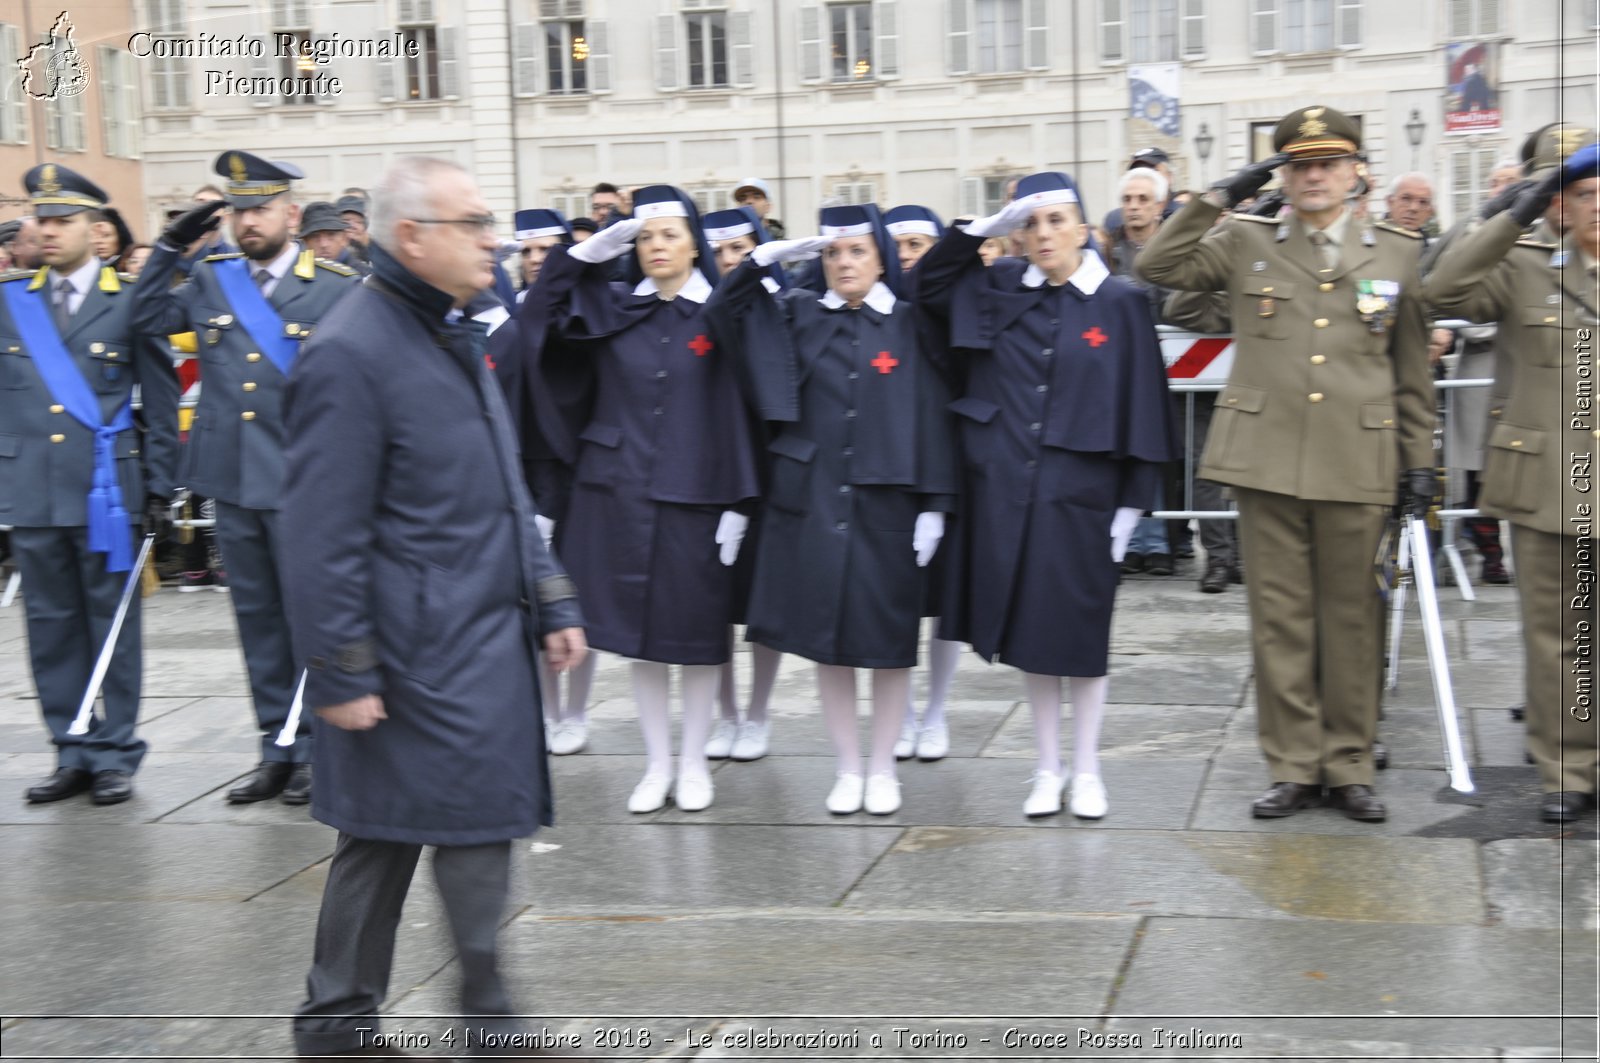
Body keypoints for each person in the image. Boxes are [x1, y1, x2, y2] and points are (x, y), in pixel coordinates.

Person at [278, 155, 588, 1060]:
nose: (494, 239)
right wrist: (340, 667)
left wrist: (550, 593)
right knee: (396, 834)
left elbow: (500, 475)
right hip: (411, 649)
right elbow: (317, 531)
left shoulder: (449, 328)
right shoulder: (352, 348)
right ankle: (358, 1026)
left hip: (474, 637)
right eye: (474, 222)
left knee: (449, 825)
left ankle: (456, 1019)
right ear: (411, 237)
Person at [1138, 106, 1435, 823]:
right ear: (1283, 175)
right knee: (1281, 622)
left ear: (1355, 172)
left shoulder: (1394, 251)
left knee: (1355, 619)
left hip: (1359, 459)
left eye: (1327, 163)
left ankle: (1351, 762)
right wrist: (1218, 197)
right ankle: (1295, 765)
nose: (1313, 176)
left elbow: (1410, 372)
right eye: (1299, 165)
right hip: (1267, 459)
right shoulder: (1247, 240)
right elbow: (1158, 265)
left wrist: (1420, 464)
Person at [917, 172, 1178, 820]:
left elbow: (1144, 402)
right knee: (1034, 639)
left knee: (1080, 638)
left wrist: (1131, 504)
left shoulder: (1119, 301)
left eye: (1057, 221)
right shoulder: (1000, 288)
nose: (1043, 235)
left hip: (1083, 493)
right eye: (1031, 224)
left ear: (1085, 229)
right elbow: (926, 289)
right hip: (1008, 489)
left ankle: (1087, 769)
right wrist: (976, 232)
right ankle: (1045, 767)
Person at [515, 184, 762, 813]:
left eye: (669, 235)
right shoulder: (617, 306)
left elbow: (746, 404)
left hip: (698, 495)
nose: (657, 247)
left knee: (697, 636)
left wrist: (739, 499)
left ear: (693, 245)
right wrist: (587, 255)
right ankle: (657, 764)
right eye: (646, 237)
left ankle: (695, 761)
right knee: (641, 638)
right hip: (617, 491)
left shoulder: (722, 311)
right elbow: (538, 317)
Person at [706, 204, 959, 815]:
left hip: (888, 503)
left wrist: (936, 502)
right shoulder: (798, 315)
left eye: (857, 252)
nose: (844, 263)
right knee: (828, 642)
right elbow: (722, 316)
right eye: (833, 253)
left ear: (879, 259)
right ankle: (848, 768)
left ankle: (882, 770)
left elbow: (932, 412)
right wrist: (761, 260)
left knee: (890, 643)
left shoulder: (908, 323)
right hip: (814, 501)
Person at [133, 150, 361, 807]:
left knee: (310, 621)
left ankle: (319, 745)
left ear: (291, 213)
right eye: (237, 210)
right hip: (231, 480)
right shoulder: (209, 277)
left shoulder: (336, 286)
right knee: (257, 622)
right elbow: (144, 319)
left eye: (259, 208)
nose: (247, 220)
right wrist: (173, 247)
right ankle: (275, 748)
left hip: (303, 485)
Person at [1424, 146, 1599, 822]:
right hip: (1549, 480)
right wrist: (1509, 214)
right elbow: (1441, 285)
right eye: (1584, 194)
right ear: (1561, 205)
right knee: (1558, 634)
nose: (1599, 206)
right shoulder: (1526, 267)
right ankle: (1568, 769)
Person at [3, 163, 180, 805]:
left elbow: (162, 400)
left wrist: (162, 486)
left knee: (112, 624)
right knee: (49, 626)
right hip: (33, 490)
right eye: (40, 219)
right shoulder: (10, 300)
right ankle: (70, 746)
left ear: (94, 227)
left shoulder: (130, 299)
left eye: (60, 221)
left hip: (108, 492)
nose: (46, 231)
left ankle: (116, 752)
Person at [700, 205, 787, 761]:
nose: (731, 260)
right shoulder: (702, 308)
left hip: (772, 471)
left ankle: (757, 713)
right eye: (722, 251)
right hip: (713, 473)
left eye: (742, 249)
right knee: (716, 606)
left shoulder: (783, 306)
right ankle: (726, 714)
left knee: (764, 605)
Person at [882, 203, 965, 761]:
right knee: (894, 601)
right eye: (899, 246)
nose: (908, 257)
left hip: (950, 467)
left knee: (944, 604)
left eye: (919, 245)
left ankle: (936, 711)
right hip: (889, 474)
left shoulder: (952, 304)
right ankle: (904, 712)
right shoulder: (876, 309)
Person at [298, 201, 369, 277]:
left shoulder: (361, 276)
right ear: (305, 241)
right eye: (315, 236)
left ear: (344, 239)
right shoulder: (294, 274)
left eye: (331, 235)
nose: (323, 244)